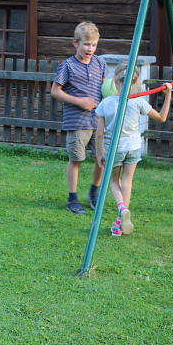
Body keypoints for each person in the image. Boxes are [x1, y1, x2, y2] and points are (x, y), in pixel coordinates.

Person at [94, 62, 172, 236]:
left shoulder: (105, 103)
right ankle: (119, 225)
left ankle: (122, 209)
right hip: (134, 147)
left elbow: (99, 133)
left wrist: (99, 153)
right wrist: (168, 96)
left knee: (114, 181)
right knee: (127, 182)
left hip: (114, 149)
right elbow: (162, 117)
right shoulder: (139, 102)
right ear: (135, 82)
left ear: (114, 80)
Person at [50, 21, 107, 215]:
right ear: (75, 43)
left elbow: (106, 89)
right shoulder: (67, 66)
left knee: (101, 159)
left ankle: (94, 193)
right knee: (76, 160)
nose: (90, 49)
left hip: (98, 122)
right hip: (77, 122)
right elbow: (55, 91)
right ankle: (72, 199)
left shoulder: (100, 63)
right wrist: (79, 101)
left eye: (94, 45)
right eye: (86, 44)